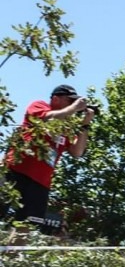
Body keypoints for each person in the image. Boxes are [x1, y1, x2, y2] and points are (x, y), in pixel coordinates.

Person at [1, 84, 94, 232]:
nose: (73, 104)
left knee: (27, 227)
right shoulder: (39, 106)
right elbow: (47, 119)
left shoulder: (66, 127)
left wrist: (85, 124)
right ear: (56, 99)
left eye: (74, 102)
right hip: (14, 171)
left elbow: (77, 152)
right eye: (70, 100)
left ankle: (12, 255)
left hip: (40, 183)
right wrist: (74, 108)